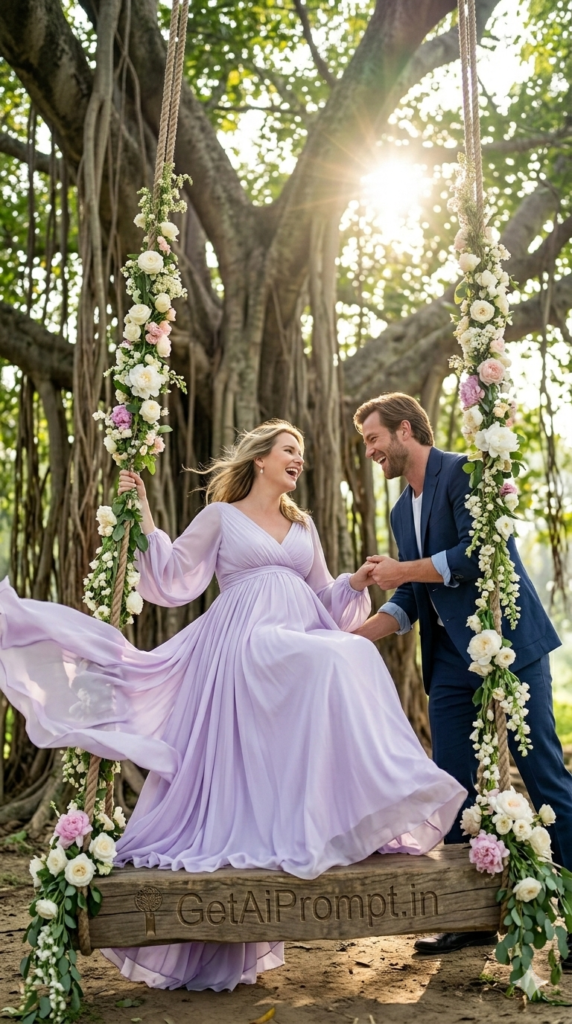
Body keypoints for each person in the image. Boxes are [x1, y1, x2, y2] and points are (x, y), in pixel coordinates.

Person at [0, 419, 466, 992]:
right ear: (261, 459)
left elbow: (326, 600)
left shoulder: (304, 524)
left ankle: (371, 796)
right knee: (330, 658)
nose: (299, 459)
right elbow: (170, 578)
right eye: (289, 450)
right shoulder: (221, 517)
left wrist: (353, 581)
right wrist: (143, 512)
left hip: (297, 634)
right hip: (246, 643)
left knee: (351, 655)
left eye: (302, 452)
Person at [352, 393, 572, 967]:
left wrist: (404, 570)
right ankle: (467, 917)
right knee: (453, 784)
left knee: (542, 772)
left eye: (374, 439)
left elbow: (479, 552)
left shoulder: (467, 472)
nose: (371, 451)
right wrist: (351, 639)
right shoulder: (402, 511)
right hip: (449, 661)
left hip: (509, 643)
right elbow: (410, 595)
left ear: (405, 430)